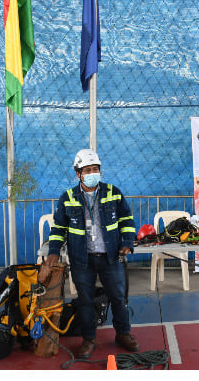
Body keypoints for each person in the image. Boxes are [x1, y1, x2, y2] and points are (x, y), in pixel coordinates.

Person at [46, 149, 139, 358]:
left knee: (118, 298)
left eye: (95, 169)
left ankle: (123, 333)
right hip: (82, 260)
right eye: (87, 170)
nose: (92, 173)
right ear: (78, 174)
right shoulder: (67, 198)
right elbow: (58, 227)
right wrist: (53, 251)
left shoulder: (113, 192)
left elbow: (127, 220)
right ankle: (89, 339)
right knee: (85, 301)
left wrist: (126, 242)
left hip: (110, 257)